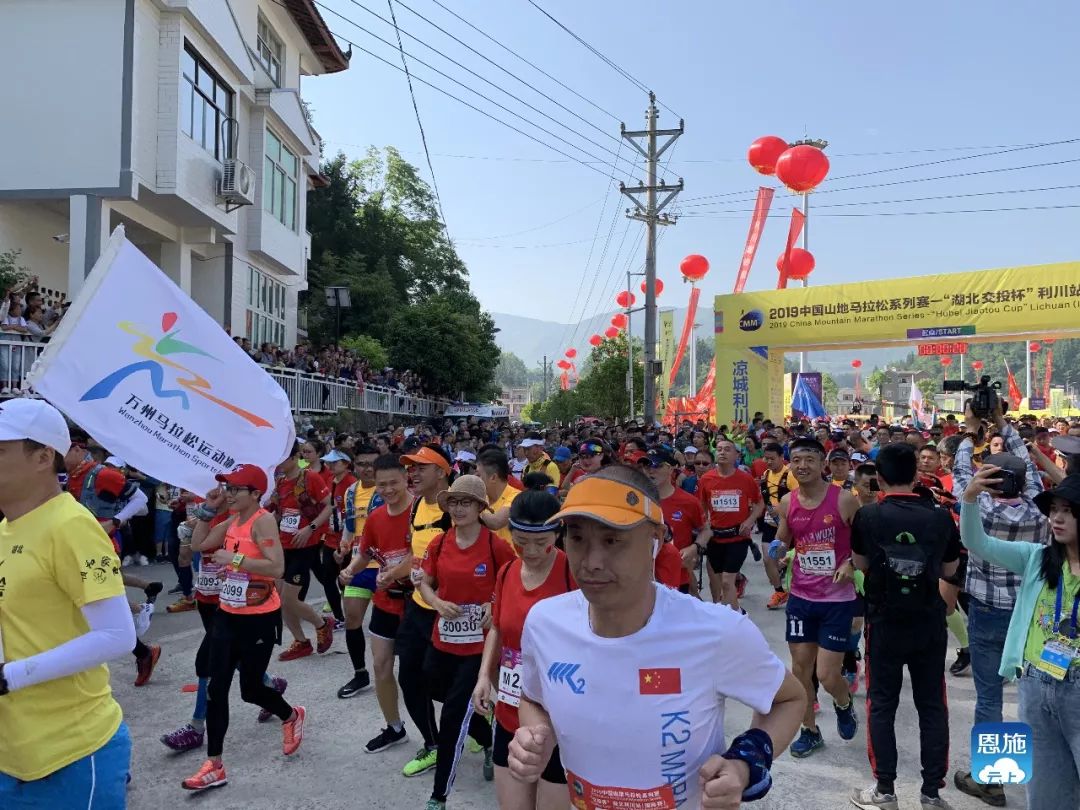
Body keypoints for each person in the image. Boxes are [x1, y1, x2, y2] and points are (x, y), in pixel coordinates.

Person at [509, 465, 806, 808]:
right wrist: (537, 736)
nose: (591, 562)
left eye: (612, 540)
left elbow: (789, 699)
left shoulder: (715, 631)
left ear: (656, 538)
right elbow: (532, 698)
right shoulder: (545, 623)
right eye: (577, 539)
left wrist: (744, 762)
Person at [0, 399, 136, 807]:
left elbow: (117, 634)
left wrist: (10, 676)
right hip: (12, 755)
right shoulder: (6, 528)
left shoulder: (71, 525)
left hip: (72, 752)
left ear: (43, 457)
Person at [959, 467, 1080, 810]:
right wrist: (969, 498)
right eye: (1054, 510)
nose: (1057, 518)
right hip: (1035, 684)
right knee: (1043, 795)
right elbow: (976, 543)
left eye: (1068, 511)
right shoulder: (1037, 559)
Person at [849, 443, 962, 810]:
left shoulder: (867, 516)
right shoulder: (940, 517)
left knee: (881, 704)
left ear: (879, 478)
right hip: (928, 623)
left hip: (884, 622)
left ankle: (885, 790)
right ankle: (931, 793)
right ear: (916, 475)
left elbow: (860, 564)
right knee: (932, 705)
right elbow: (950, 570)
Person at [182, 464, 306, 790]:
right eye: (227, 488)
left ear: (255, 494)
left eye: (236, 489)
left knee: (250, 690)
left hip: (259, 618)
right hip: (227, 613)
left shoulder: (262, 520)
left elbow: (276, 567)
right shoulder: (232, 520)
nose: (229, 494)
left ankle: (291, 715)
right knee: (216, 688)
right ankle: (214, 765)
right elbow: (198, 545)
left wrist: (234, 560)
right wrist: (207, 511)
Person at [952, 402, 1050, 806]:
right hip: (1029, 617)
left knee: (990, 696)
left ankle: (993, 780)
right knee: (1028, 696)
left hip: (988, 612)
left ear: (987, 479)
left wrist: (969, 432)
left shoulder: (980, 508)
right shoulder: (1039, 508)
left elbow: (962, 475)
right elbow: (1028, 467)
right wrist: (1002, 424)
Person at [472, 475, 573, 810]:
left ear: (557, 535)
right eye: (520, 542)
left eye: (541, 542)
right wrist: (483, 676)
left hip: (558, 719)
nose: (530, 551)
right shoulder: (506, 573)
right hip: (510, 712)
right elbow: (498, 629)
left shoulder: (573, 575)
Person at [418, 475, 516, 809]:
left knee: (451, 717)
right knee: (435, 690)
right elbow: (425, 584)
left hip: (479, 647)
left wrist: (493, 603)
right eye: (454, 503)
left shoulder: (494, 546)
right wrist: (437, 602)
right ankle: (487, 736)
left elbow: (513, 583)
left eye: (466, 503)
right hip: (443, 639)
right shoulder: (439, 543)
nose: (459, 509)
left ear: (479, 508)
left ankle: (438, 796)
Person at [769, 437, 861, 758]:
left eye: (809, 459)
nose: (802, 465)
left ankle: (843, 703)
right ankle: (809, 731)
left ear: (823, 464)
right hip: (801, 598)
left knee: (827, 674)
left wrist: (851, 564)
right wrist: (778, 550)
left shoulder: (845, 500)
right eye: (796, 460)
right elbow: (783, 538)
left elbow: (864, 545)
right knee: (800, 671)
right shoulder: (787, 502)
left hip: (837, 600)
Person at [338, 454, 414, 752]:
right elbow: (366, 553)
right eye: (382, 485)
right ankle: (394, 728)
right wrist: (350, 570)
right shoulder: (376, 517)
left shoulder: (420, 512)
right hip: (385, 603)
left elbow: (421, 555)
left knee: (420, 676)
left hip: (417, 605)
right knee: (381, 666)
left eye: (394, 482)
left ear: (406, 479)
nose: (388, 489)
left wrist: (393, 573)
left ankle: (447, 733)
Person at [399, 445, 453, 778]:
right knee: (408, 678)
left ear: (442, 472)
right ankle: (433, 745)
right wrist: (393, 573)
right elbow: (413, 553)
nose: (413, 473)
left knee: (441, 684)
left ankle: (479, 723)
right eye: (411, 467)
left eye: (421, 467)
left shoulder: (457, 508)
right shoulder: (416, 505)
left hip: (447, 612)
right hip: (418, 607)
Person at [273, 441, 335, 661]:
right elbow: (279, 512)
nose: (279, 462)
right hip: (284, 546)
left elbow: (329, 506)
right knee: (280, 600)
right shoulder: (280, 482)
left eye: (282, 457)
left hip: (305, 546)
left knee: (288, 599)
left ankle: (322, 623)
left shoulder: (310, 478)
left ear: (294, 457)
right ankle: (301, 642)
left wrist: (310, 528)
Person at [696, 437, 764, 610]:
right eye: (719, 449)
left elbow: (759, 504)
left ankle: (735, 619)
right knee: (720, 584)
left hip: (738, 538)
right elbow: (702, 506)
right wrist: (704, 526)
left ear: (736, 455)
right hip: (715, 538)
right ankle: (733, 614)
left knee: (727, 582)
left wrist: (749, 521)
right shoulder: (706, 479)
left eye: (727, 449)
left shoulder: (745, 479)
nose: (722, 452)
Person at [336, 445, 382, 699]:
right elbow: (350, 526)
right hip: (358, 566)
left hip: (386, 568)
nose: (368, 469)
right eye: (362, 464)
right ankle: (360, 673)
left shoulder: (388, 490)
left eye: (373, 463)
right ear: (355, 466)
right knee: (352, 619)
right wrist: (343, 545)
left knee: (394, 628)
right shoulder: (351, 491)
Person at [640, 445, 705, 597]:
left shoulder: (688, 501)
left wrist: (694, 547)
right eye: (647, 465)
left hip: (676, 578)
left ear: (671, 469)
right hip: (642, 577)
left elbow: (706, 530)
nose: (651, 470)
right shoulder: (635, 500)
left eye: (657, 465)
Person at [314, 448, 355, 630]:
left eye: (334, 462)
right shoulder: (331, 480)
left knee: (346, 580)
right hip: (330, 538)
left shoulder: (352, 484)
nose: (330, 465)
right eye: (329, 462)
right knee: (328, 578)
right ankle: (339, 617)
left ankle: (351, 616)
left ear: (346, 464)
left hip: (346, 540)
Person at [761, 442, 798, 609]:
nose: (769, 462)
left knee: (794, 560)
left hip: (789, 525)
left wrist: (782, 509)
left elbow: (798, 498)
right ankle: (779, 591)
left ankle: (797, 592)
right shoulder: (765, 474)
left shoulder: (790, 476)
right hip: (770, 523)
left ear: (782, 457)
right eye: (766, 458)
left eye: (772, 459)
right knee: (768, 558)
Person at [477, 450, 519, 542]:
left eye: (479, 475)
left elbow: (496, 522)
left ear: (493, 477)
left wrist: (471, 510)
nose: (475, 478)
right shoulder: (481, 498)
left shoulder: (517, 498)